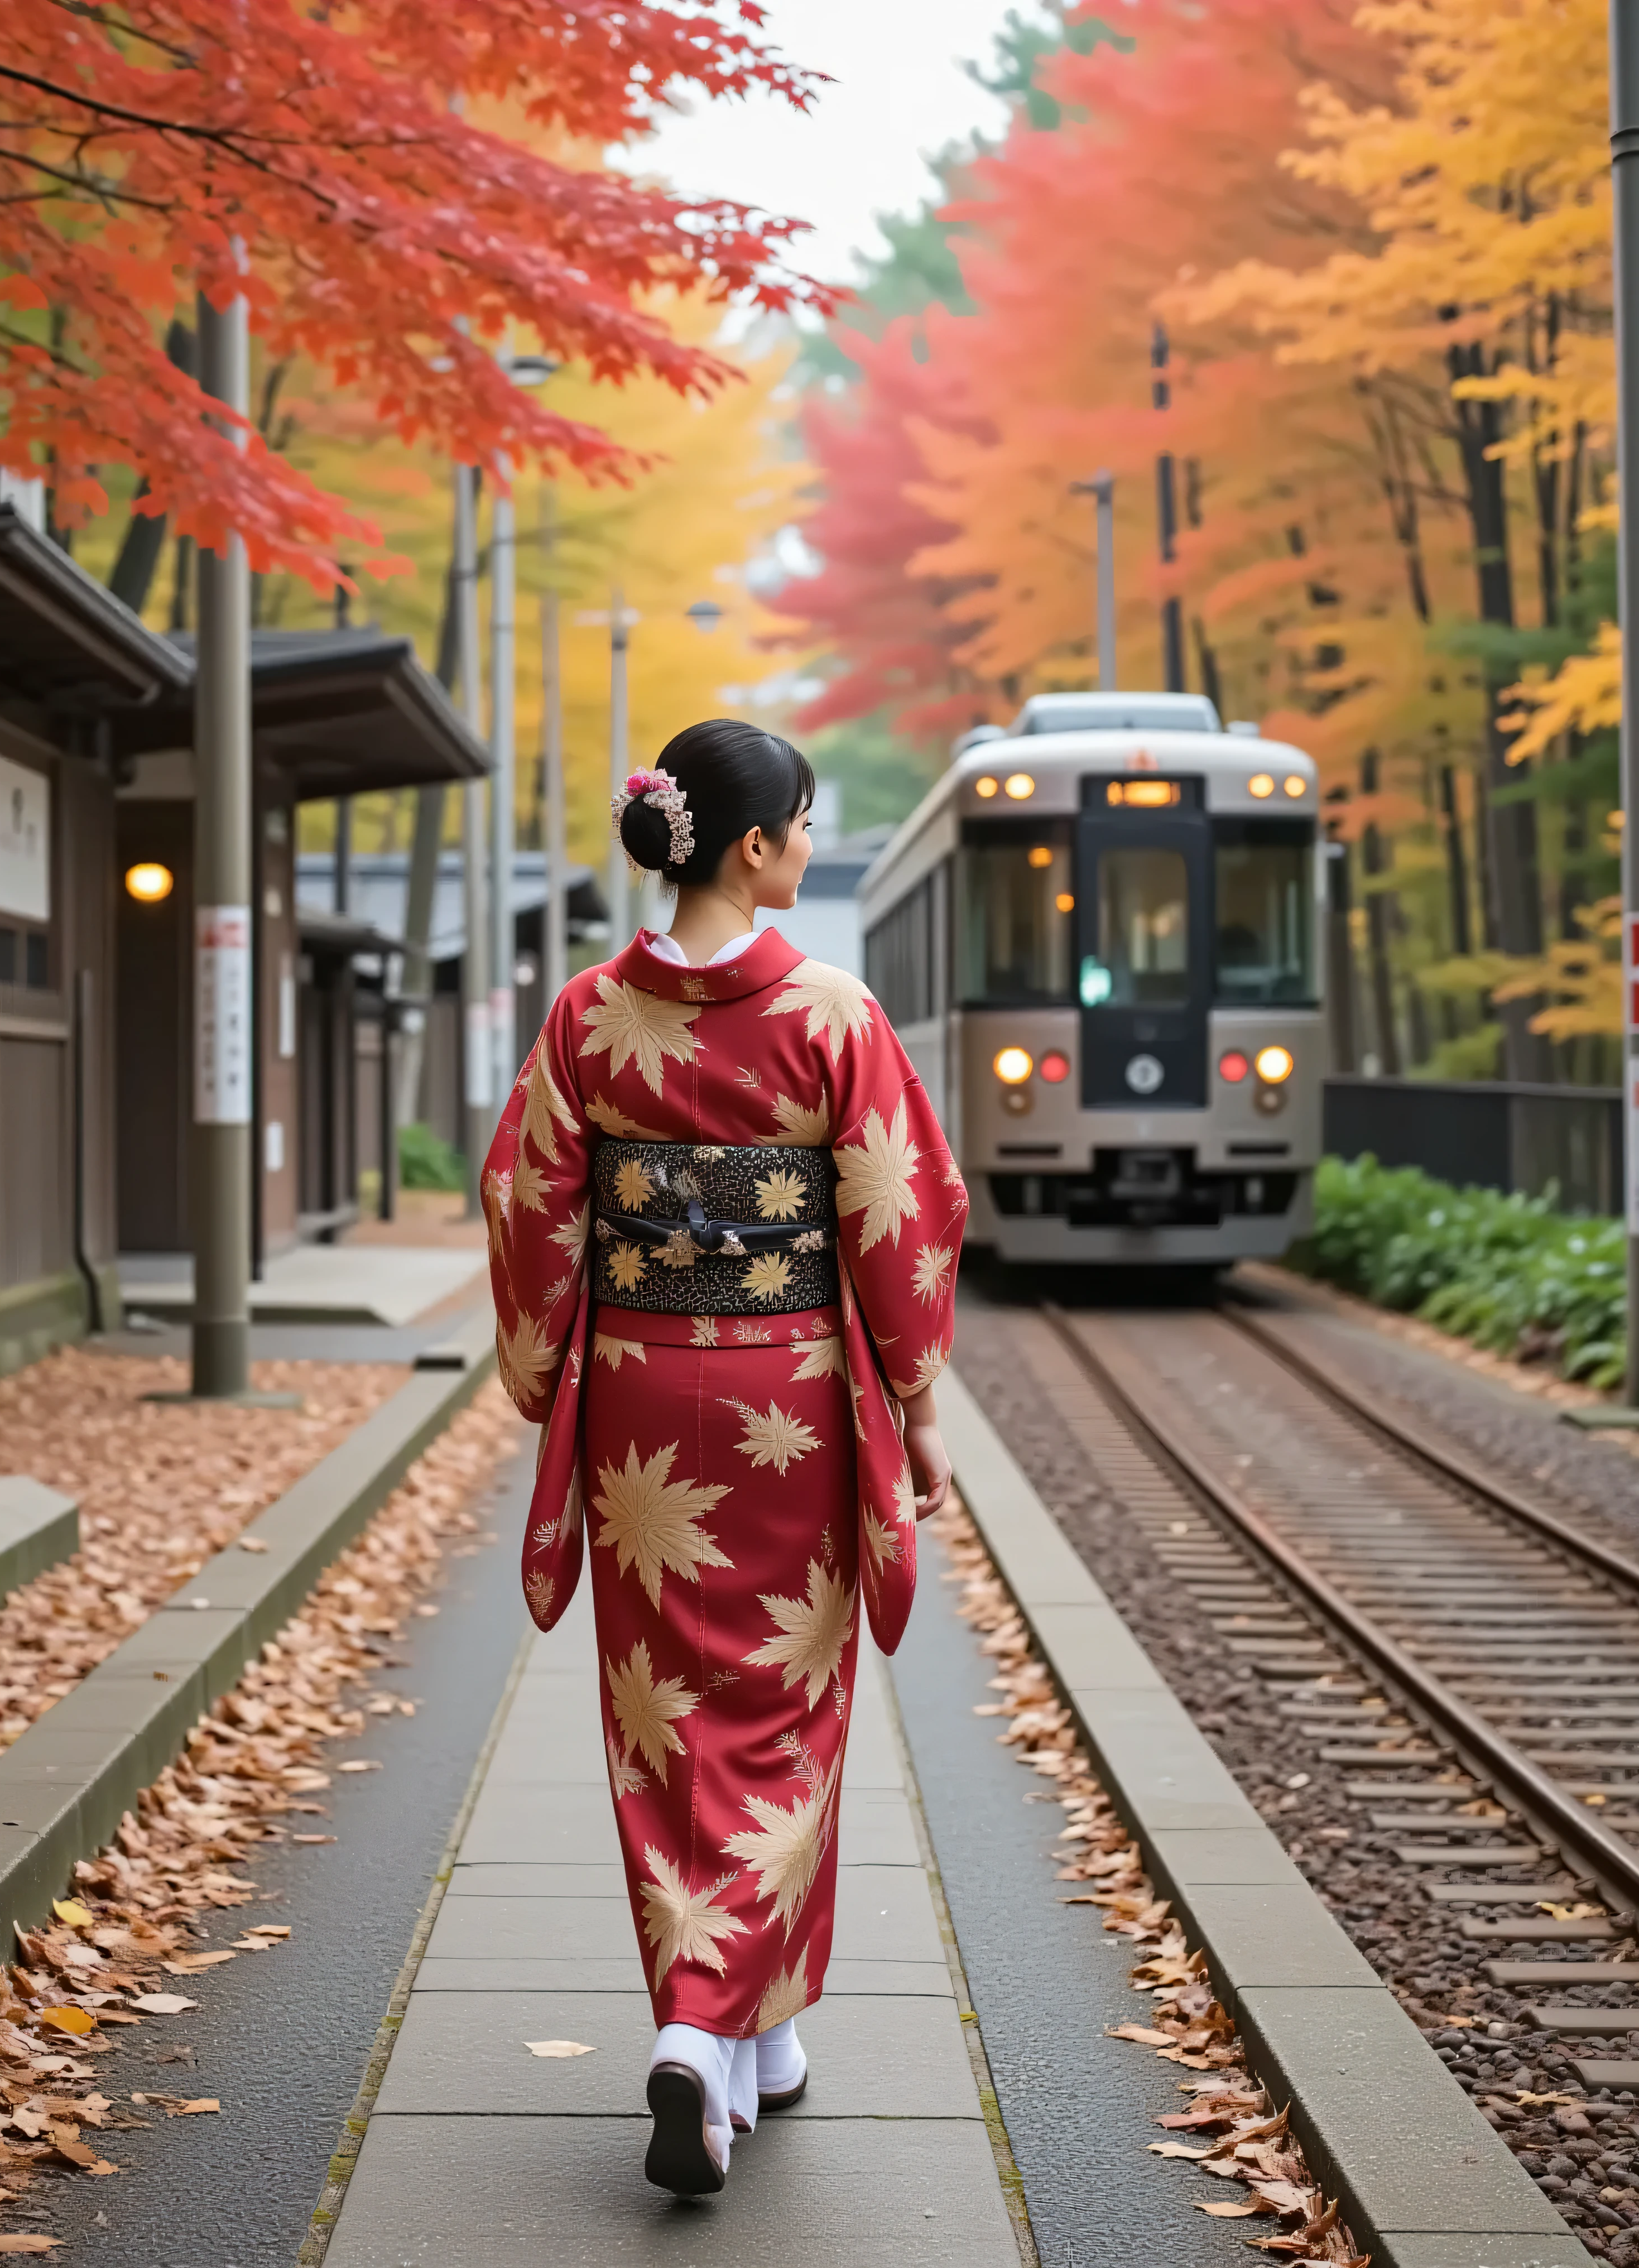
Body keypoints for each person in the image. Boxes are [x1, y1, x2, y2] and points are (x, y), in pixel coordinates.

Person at [480, 718, 967, 2197]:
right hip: (792, 1397)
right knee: (786, 1712)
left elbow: (529, 1199)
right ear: (752, 848)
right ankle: (704, 2035)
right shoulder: (832, 1016)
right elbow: (894, 1212)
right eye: (806, 824)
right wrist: (920, 1399)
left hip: (641, 1395)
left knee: (667, 1715)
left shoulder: (584, 1015)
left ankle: (753, 2043)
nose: (814, 846)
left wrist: (546, 1364)